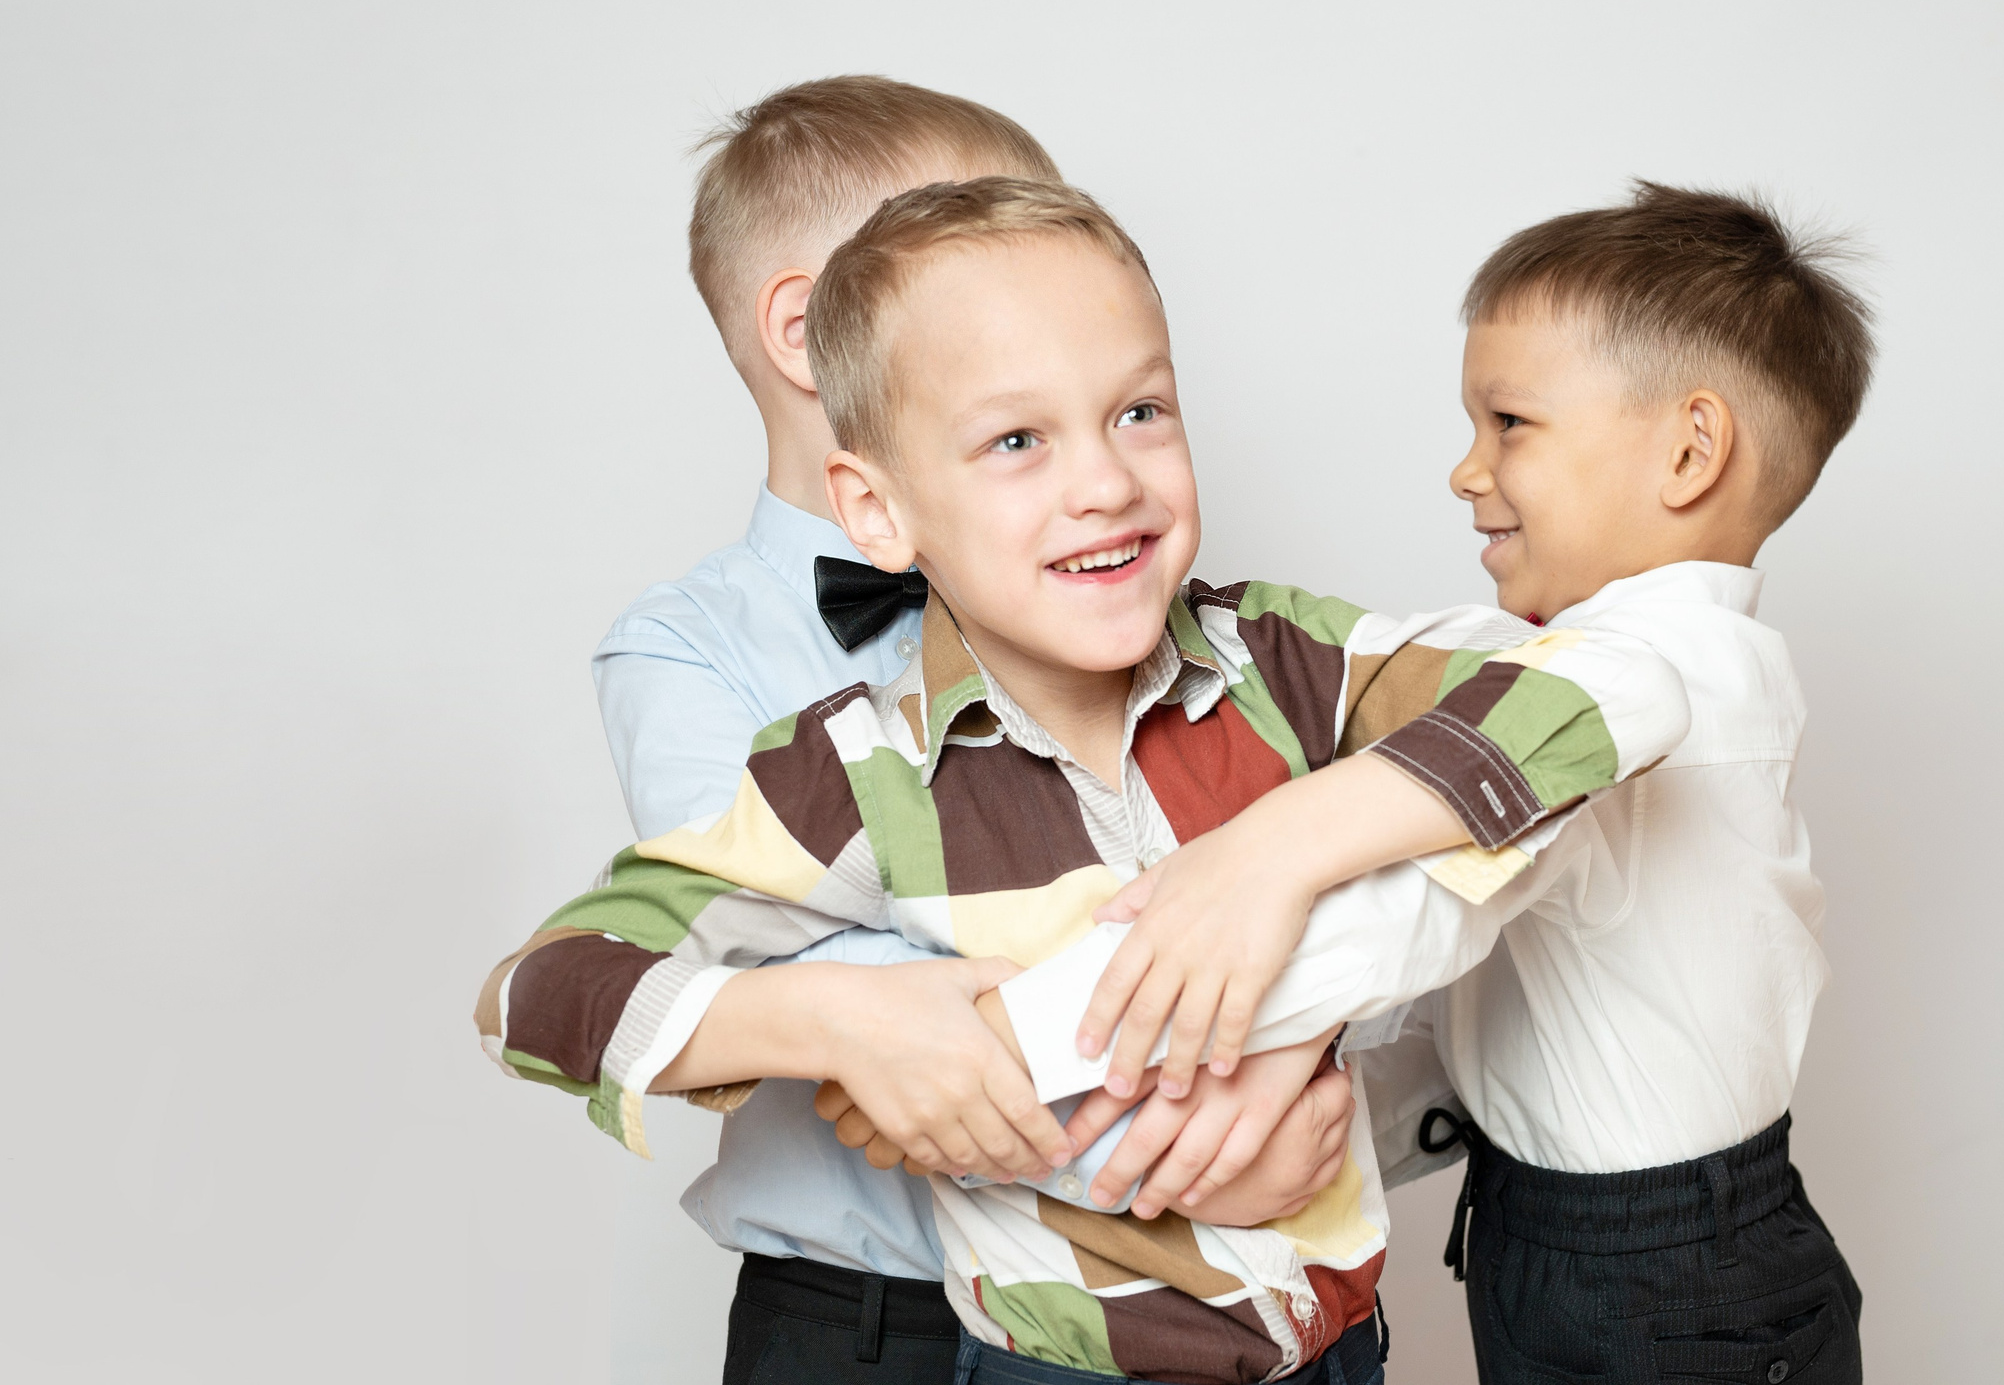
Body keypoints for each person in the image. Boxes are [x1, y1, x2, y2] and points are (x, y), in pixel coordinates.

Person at [477, 177, 1701, 1385]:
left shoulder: (1287, 661)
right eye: (1017, 440)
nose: (1106, 482)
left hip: (1342, 1349)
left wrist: (1281, 850)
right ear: (877, 509)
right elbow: (537, 993)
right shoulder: (858, 777)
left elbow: (1624, 687)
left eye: (1140, 411)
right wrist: (833, 1020)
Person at [1008, 182, 1875, 1383]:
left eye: (1509, 421)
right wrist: (1320, 1115)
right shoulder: (1592, 666)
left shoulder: (1653, 683)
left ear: (1688, 449)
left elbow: (1407, 914)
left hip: (1665, 1277)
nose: (1465, 470)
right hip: (1574, 1234)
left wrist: (1058, 1032)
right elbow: (1498, 1019)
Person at [578, 79, 1352, 1385]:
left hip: (1184, 1286)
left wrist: (1284, 1047)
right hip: (871, 1321)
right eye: (960, 237)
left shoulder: (1128, 595)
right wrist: (1198, 1094)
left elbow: (1291, 886)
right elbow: (885, 1009)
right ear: (808, 327)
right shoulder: (690, 648)